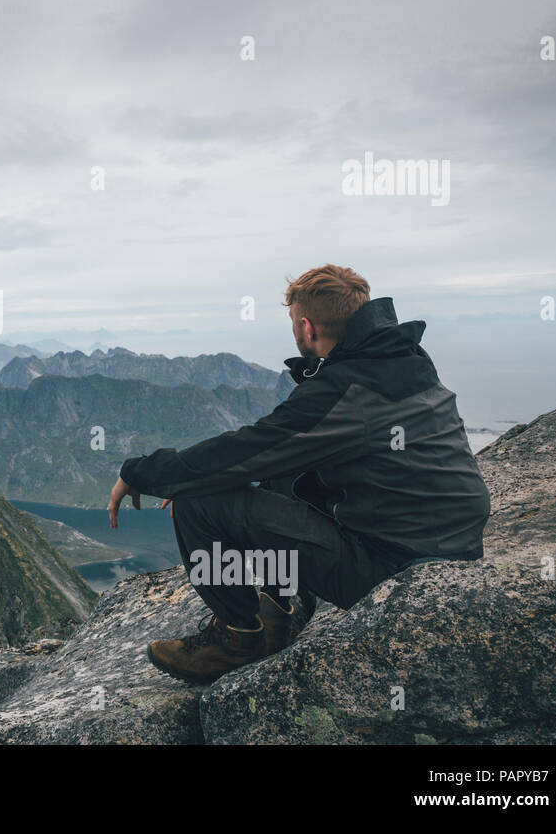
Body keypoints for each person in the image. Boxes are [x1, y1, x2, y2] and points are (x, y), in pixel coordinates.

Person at [107, 264, 490, 683]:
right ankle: (277, 607)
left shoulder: (342, 390)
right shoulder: (405, 360)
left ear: (307, 327)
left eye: (293, 323)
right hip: (455, 553)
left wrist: (144, 473)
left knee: (198, 502)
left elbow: (246, 449)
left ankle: (238, 638)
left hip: (393, 573)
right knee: (280, 471)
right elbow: (276, 453)